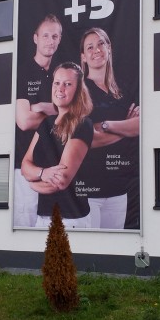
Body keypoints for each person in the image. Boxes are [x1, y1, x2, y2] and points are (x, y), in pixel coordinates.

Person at [78, 27, 140, 229]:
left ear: (109, 48)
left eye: (101, 44)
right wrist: (125, 128)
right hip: (88, 191)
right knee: (89, 247)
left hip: (118, 190)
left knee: (114, 246)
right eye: (90, 47)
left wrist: (105, 126)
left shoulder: (123, 90)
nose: (96, 50)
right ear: (83, 56)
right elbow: (88, 139)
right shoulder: (79, 91)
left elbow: (140, 126)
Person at [20, 62, 94, 228]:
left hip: (71, 220)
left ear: (78, 90)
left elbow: (60, 182)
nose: (60, 89)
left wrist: (32, 183)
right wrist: (43, 173)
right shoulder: (46, 123)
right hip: (43, 217)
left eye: (67, 84)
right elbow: (25, 166)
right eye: (57, 83)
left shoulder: (83, 125)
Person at [13, 14, 63, 227]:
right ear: (35, 38)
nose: (50, 41)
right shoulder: (22, 72)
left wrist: (40, 107)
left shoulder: (59, 74)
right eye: (46, 35)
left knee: (49, 229)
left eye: (55, 36)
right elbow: (24, 121)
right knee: (25, 226)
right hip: (25, 168)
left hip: (54, 167)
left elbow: (72, 112)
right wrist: (55, 112)